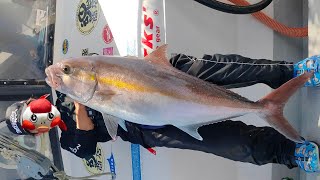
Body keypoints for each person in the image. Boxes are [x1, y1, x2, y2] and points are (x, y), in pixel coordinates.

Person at [4, 53, 320, 173]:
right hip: (146, 124)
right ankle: (291, 151)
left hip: (155, 77)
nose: (37, 119)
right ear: (39, 131)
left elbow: (112, 67)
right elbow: (86, 146)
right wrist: (78, 101)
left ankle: (291, 71)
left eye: (31, 112)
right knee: (227, 143)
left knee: (217, 69)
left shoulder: (71, 80)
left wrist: (155, 66)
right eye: (32, 125)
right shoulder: (67, 139)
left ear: (34, 102)